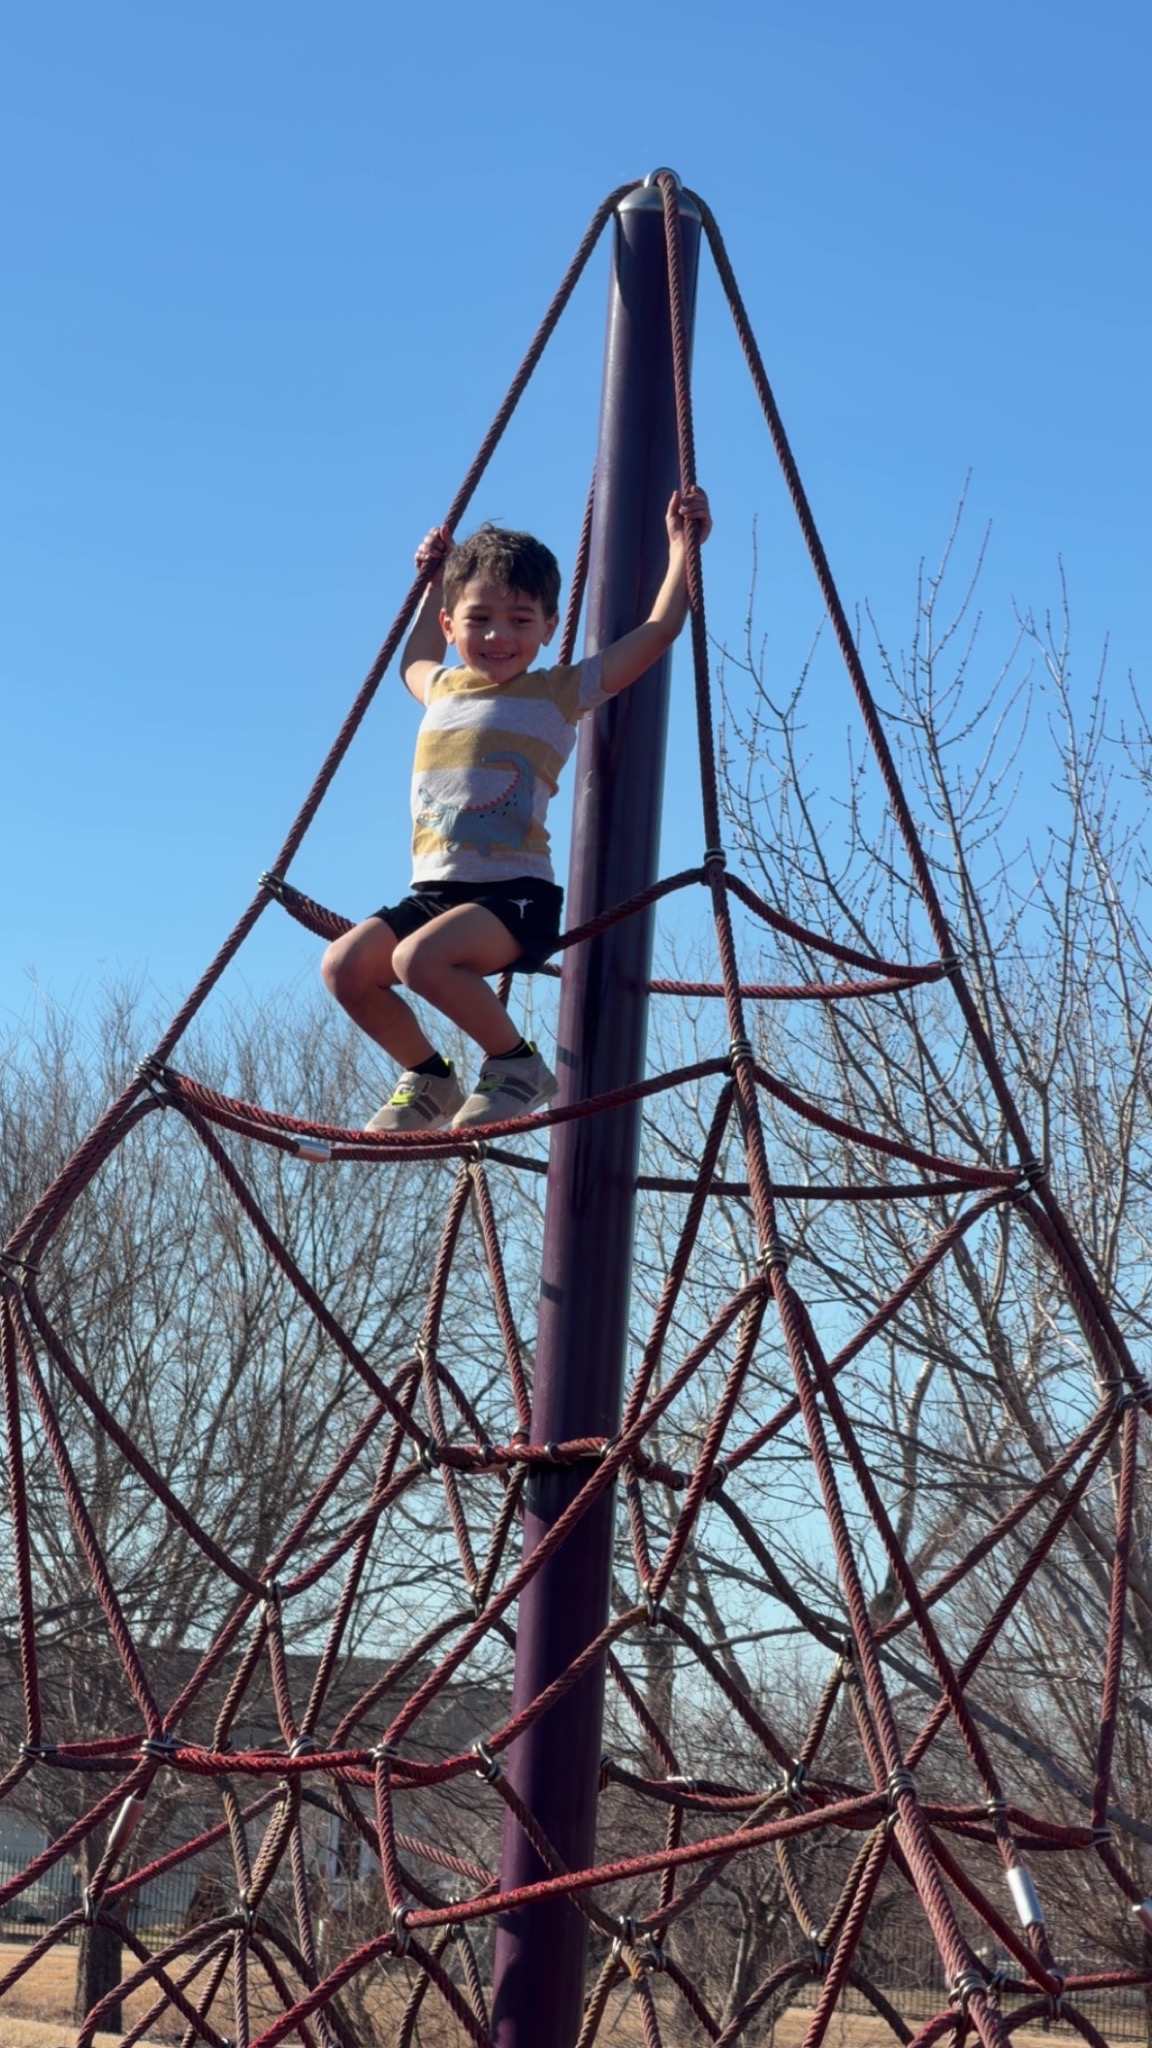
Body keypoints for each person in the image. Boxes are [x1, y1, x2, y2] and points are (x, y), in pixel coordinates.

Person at [321, 486, 712, 1132]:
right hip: (434, 893)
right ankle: (428, 1077)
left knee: (417, 961)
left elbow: (657, 632)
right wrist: (433, 580)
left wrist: (681, 550)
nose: (498, 635)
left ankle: (517, 1064)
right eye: (479, 619)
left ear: (549, 628)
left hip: (514, 897)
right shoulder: (441, 686)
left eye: (521, 620)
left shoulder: (556, 692)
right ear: (451, 625)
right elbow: (413, 658)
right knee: (345, 967)